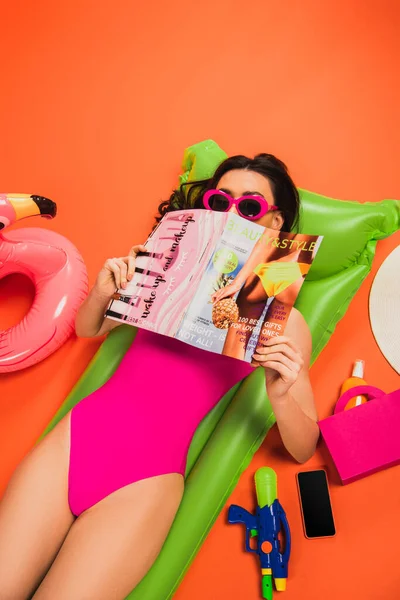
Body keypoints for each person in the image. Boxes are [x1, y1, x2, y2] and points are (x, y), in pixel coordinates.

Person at [0, 153, 319, 600]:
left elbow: (303, 449)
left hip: (145, 485)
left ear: (276, 222)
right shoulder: (164, 262)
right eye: (219, 200)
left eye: (248, 207)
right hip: (74, 442)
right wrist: (104, 292)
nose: (230, 213)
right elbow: (91, 329)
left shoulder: (283, 317)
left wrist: (283, 391)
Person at [212, 229, 317, 360]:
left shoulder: (284, 212)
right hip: (298, 270)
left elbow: (265, 241)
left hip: (267, 270)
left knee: (234, 348)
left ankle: (229, 379)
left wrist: (236, 284)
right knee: (266, 354)